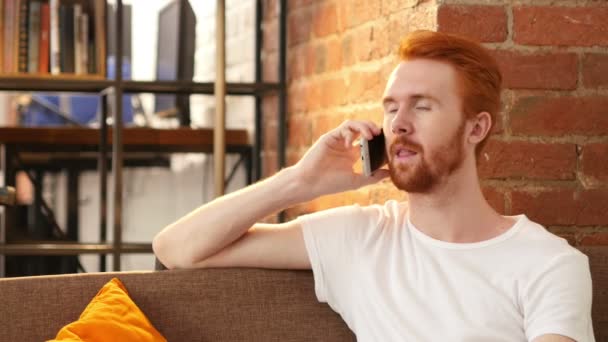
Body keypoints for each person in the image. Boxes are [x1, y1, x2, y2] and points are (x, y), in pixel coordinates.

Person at [153, 30, 594, 342]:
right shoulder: (362, 237)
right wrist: (299, 182)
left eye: (422, 106)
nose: (399, 124)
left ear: (475, 128)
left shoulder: (548, 263)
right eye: (391, 108)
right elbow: (177, 250)